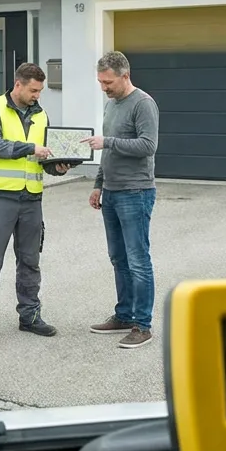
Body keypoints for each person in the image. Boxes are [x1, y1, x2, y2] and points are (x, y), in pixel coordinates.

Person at [0, 62, 72, 344]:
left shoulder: (41, 116)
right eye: (33, 90)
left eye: (40, 91)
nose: (37, 95)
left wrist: (56, 167)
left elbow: (43, 159)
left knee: (30, 261)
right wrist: (30, 148)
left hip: (31, 199)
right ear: (18, 85)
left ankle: (30, 316)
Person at [82, 51, 160, 349]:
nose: (104, 87)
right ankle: (124, 315)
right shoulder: (111, 104)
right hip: (112, 192)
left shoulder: (143, 104)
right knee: (119, 258)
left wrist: (108, 142)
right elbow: (108, 152)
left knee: (138, 260)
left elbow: (148, 145)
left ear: (125, 76)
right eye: (101, 82)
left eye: (108, 82)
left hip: (135, 192)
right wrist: (98, 185)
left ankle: (142, 325)